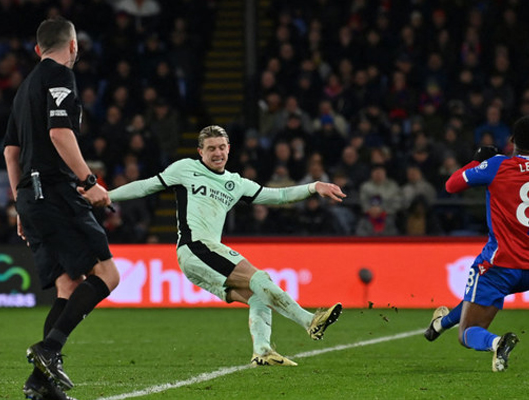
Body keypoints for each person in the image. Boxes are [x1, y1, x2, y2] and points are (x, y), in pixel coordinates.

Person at [94, 125, 344, 366]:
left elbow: (278, 196)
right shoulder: (185, 169)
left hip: (201, 256)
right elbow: (146, 186)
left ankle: (262, 351)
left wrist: (314, 187)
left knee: (258, 295)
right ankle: (310, 320)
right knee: (260, 277)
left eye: (222, 147)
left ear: (229, 149)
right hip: (196, 247)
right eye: (211, 148)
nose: (217, 153)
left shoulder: (236, 183)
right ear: (200, 152)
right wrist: (106, 195)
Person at [4, 18, 120, 400]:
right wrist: (90, 181)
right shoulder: (60, 77)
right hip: (54, 192)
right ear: (72, 46)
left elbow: (11, 150)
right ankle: (48, 351)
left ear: (38, 49)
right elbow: (59, 133)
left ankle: (40, 385)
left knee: (68, 285)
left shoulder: (24, 89)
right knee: (107, 274)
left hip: (31, 197)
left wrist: (21, 203)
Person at [423, 115, 529, 372]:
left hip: (499, 265)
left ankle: (497, 343)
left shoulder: (496, 165)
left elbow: (451, 185)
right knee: (476, 297)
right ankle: (440, 324)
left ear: (511, 140)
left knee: (468, 333)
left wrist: (477, 160)